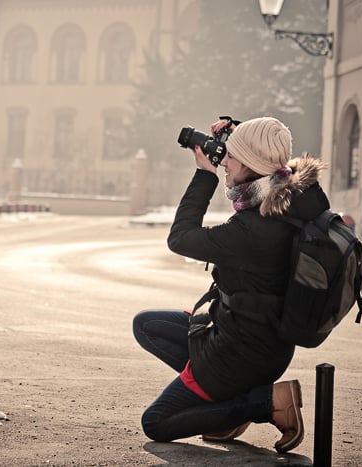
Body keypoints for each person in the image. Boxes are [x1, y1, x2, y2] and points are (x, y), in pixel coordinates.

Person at [132, 116, 330, 453]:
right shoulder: (290, 200)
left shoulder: (253, 231)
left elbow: (180, 238)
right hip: (261, 339)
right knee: (147, 325)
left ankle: (263, 403)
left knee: (156, 422)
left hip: (240, 354)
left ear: (252, 165)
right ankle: (228, 406)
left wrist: (204, 175)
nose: (223, 161)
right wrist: (238, 132)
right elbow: (263, 152)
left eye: (230, 157)